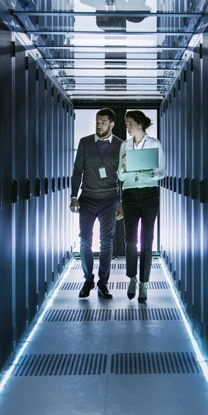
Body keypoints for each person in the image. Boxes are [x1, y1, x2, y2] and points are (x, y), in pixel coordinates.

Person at [70, 108, 124, 299]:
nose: (98, 124)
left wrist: (121, 202)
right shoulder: (85, 143)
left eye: (102, 122)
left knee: (106, 242)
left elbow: (123, 176)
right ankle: (87, 279)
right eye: (97, 121)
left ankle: (103, 283)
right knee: (85, 240)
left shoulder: (121, 145)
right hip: (88, 198)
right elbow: (77, 172)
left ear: (111, 124)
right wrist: (73, 196)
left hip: (110, 199)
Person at [117, 110, 166, 303]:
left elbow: (161, 172)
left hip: (149, 195)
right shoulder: (125, 145)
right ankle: (132, 278)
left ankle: (144, 284)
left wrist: (146, 171)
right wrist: (124, 166)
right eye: (127, 124)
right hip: (129, 194)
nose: (127, 127)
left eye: (130, 123)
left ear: (139, 124)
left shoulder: (154, 144)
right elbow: (120, 177)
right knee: (130, 240)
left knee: (147, 241)